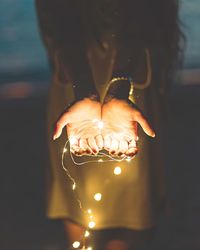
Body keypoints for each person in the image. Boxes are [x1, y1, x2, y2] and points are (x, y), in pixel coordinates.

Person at [35, 1, 182, 249]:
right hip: (102, 88)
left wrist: (91, 88)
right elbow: (147, 18)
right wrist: (110, 87)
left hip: (96, 87)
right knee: (85, 201)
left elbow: (58, 25)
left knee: (130, 204)